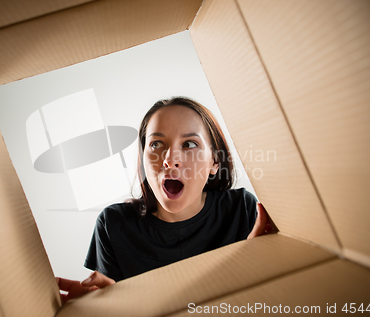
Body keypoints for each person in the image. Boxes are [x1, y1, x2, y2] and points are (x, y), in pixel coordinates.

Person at [56, 97, 272, 303]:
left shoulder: (241, 210)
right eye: (156, 144)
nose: (169, 160)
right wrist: (96, 306)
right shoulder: (113, 225)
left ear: (215, 161)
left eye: (189, 144)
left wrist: (260, 260)